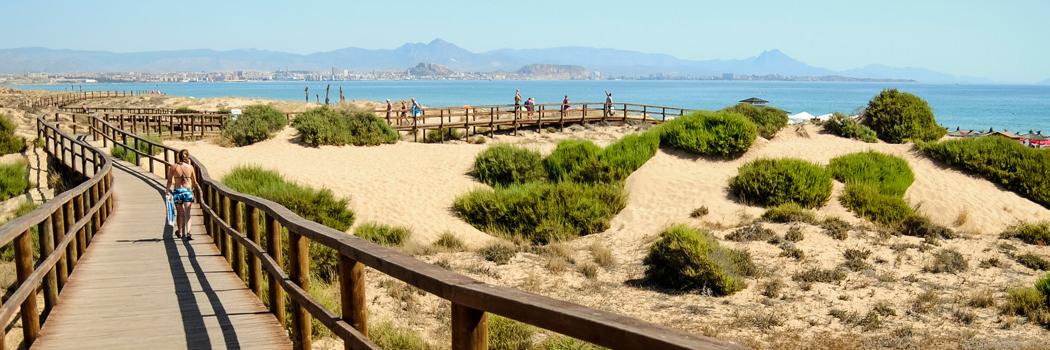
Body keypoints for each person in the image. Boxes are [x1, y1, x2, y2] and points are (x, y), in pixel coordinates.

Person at [165, 149, 199, 240]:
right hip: (187, 191)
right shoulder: (190, 167)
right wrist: (193, 191)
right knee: (188, 214)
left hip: (178, 191)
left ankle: (179, 232)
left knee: (179, 213)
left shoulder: (173, 167)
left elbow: (169, 181)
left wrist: (167, 191)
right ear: (187, 156)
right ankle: (188, 233)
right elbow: (194, 182)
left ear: (178, 156)